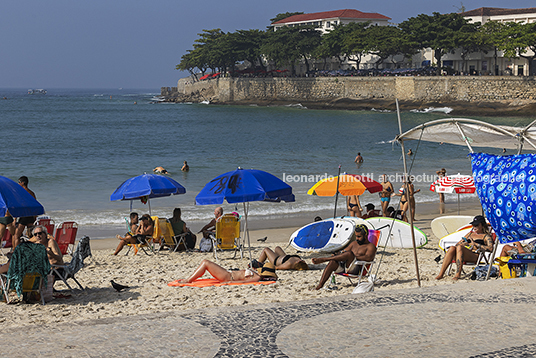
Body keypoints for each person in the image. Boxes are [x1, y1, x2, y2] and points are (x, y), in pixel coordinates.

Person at [312, 224, 377, 290]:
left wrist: (353, 256)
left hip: (356, 270)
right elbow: (344, 251)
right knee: (332, 262)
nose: (357, 238)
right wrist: (338, 254)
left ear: (366, 235)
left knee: (349, 254)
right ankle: (320, 285)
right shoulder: (354, 243)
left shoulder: (370, 246)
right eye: (356, 236)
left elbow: (369, 258)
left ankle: (324, 259)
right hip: (344, 267)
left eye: (359, 236)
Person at [436, 215, 493, 280]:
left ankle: (458, 274)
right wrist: (464, 243)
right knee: (452, 248)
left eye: (477, 225)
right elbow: (457, 244)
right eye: (473, 225)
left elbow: (491, 249)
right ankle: (441, 274)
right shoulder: (470, 234)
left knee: (460, 247)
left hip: (475, 255)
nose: (474, 227)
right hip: (462, 253)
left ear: (482, 225)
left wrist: (475, 244)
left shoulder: (486, 236)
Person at [176, 259, 277, 284]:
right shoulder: (256, 273)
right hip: (227, 273)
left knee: (206, 263)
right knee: (206, 263)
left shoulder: (257, 277)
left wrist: (231, 282)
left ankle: (188, 280)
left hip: (228, 277)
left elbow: (244, 282)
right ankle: (189, 279)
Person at [13, 176, 37, 249]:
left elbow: (18, 206)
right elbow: (35, 206)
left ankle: (16, 252)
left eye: (19, 182)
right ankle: (31, 250)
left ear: (23, 183)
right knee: (31, 236)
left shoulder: (20, 193)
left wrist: (15, 219)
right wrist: (35, 217)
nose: (18, 183)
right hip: (31, 216)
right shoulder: (32, 193)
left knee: (17, 235)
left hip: (24, 216)